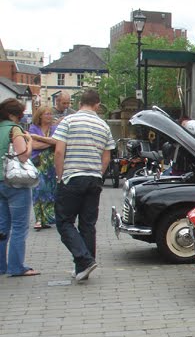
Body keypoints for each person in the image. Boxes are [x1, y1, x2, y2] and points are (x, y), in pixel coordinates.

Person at [53, 89, 115, 282]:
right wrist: (99, 173)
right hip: (94, 178)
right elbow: (107, 155)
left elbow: (59, 151)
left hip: (72, 177)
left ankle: (84, 260)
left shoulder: (68, 122)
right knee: (88, 224)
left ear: (80, 103)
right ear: (97, 104)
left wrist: (59, 175)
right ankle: (83, 267)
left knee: (64, 222)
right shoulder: (103, 125)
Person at [0, 98, 38, 276]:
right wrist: (29, 141)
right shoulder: (14, 130)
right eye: (20, 113)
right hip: (14, 182)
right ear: (13, 115)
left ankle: (1, 265)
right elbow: (23, 155)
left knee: (2, 226)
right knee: (19, 226)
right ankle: (16, 267)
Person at [28, 106, 60, 230]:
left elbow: (57, 142)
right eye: (46, 114)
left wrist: (39, 138)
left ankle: (47, 218)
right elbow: (34, 145)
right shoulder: (33, 128)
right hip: (38, 163)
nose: (49, 116)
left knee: (50, 190)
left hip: (51, 165)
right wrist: (49, 142)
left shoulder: (54, 128)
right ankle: (38, 219)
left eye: (50, 114)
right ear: (40, 116)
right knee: (38, 190)